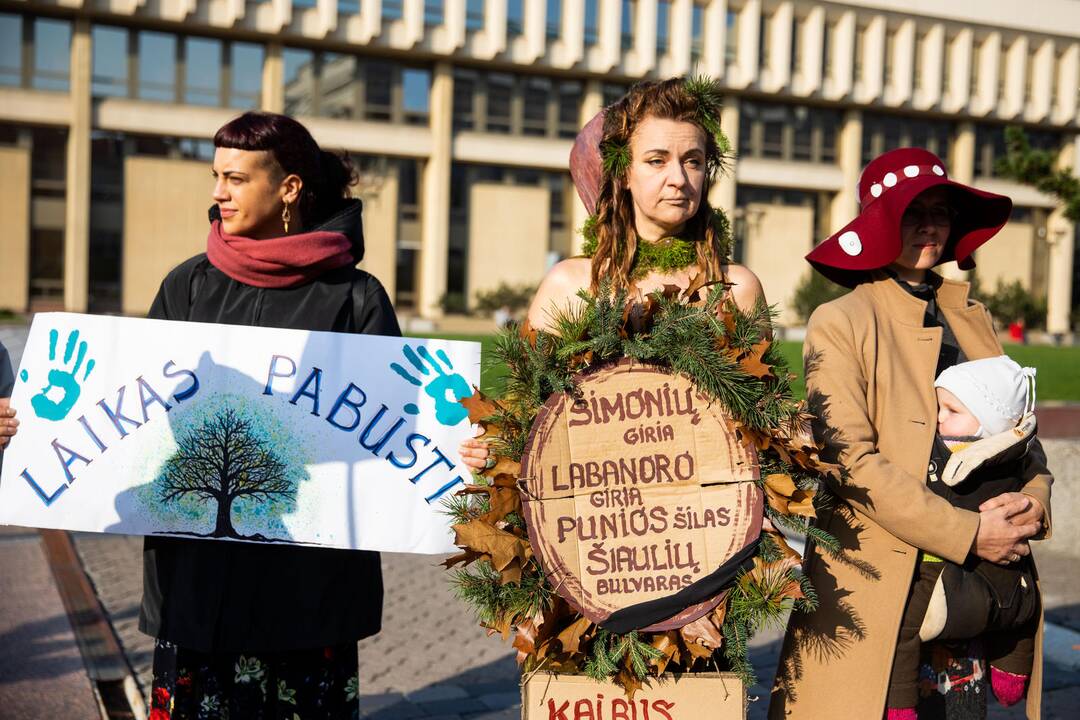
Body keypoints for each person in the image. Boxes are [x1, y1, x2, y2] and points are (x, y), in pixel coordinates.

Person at [769, 147, 1052, 720]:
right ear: (878, 224)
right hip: (877, 586)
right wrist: (971, 532)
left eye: (940, 211)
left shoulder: (973, 317)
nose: (929, 224)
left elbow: (1017, 432)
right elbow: (849, 461)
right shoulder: (841, 321)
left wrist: (1033, 501)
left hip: (967, 595)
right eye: (911, 211)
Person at [141, 112, 399, 718]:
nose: (217, 193)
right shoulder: (186, 287)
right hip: (200, 586)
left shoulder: (357, 298)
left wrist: (454, 444)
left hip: (311, 591)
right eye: (215, 176)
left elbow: (396, 431)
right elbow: (133, 410)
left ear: (288, 189)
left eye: (235, 178)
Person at [460, 76, 765, 470]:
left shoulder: (737, 289)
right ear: (623, 173)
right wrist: (492, 448)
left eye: (693, 160)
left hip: (704, 520)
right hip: (597, 518)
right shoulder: (570, 286)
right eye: (657, 160)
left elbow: (764, 430)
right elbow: (526, 421)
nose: (679, 178)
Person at [889, 356, 1042, 720]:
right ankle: (1012, 670)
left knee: (905, 628)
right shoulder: (1015, 451)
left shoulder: (947, 455)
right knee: (1020, 606)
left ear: (986, 421)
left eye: (951, 410)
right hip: (998, 570)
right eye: (939, 407)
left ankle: (899, 704)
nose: (939, 417)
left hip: (938, 572)